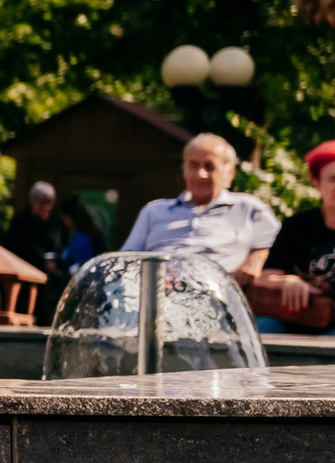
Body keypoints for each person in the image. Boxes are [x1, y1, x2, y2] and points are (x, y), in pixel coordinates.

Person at [120, 134, 280, 282]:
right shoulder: (154, 211)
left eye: (209, 167)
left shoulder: (249, 208)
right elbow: (124, 261)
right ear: (184, 170)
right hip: (158, 298)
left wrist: (257, 258)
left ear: (229, 173)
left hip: (218, 302)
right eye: (193, 165)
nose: (200, 174)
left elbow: (281, 245)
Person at [252, 139, 335, 334]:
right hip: (292, 318)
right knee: (262, 330)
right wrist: (288, 281)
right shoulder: (296, 226)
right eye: (333, 179)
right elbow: (265, 277)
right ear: (317, 183)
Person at [3, 181, 64, 274]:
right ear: (32, 201)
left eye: (49, 202)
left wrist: (57, 264)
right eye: (41, 203)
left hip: (51, 279)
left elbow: (63, 248)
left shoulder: (57, 224)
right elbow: (11, 250)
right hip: (26, 274)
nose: (46, 207)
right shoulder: (20, 223)